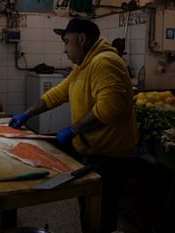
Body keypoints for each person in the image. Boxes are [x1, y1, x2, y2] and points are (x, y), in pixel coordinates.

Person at [9, 17, 139, 232]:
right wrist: (27, 114)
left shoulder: (104, 62)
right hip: (93, 148)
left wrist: (74, 129)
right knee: (89, 207)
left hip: (111, 156)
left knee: (100, 212)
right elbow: (58, 94)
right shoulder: (83, 65)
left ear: (82, 39)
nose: (64, 50)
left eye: (67, 42)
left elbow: (110, 109)